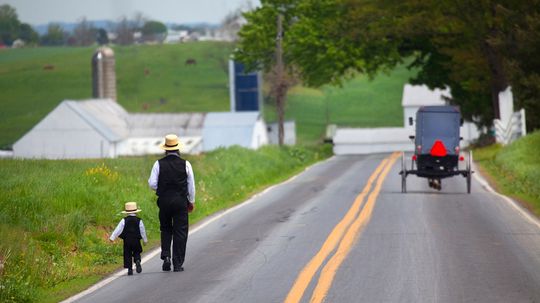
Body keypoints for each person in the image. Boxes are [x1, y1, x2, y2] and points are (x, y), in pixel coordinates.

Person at [148, 134, 196, 272]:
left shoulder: (158, 164)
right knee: (180, 231)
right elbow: (191, 185)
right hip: (180, 201)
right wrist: (191, 201)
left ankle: (166, 256)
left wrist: (162, 189)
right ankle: (177, 263)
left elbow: (152, 184)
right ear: (178, 149)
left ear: (166, 150)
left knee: (166, 228)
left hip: (164, 201)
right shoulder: (185, 164)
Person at [109, 201, 148, 276]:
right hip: (136, 240)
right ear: (136, 212)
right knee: (137, 251)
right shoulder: (139, 220)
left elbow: (118, 229)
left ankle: (130, 269)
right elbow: (142, 230)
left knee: (127, 253)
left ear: (126, 212)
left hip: (127, 240)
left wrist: (112, 238)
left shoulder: (124, 220)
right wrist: (145, 240)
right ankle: (137, 260)